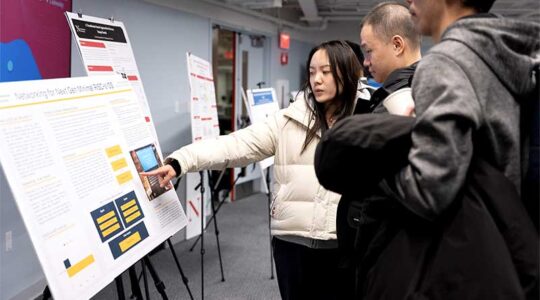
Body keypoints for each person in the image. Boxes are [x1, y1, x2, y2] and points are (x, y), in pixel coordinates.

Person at [142, 40, 363, 299]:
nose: (317, 79)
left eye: (325, 72)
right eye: (312, 72)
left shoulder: (366, 121)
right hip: (292, 245)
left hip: (344, 247)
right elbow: (234, 146)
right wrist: (179, 161)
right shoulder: (287, 121)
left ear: (346, 72)